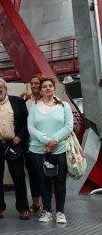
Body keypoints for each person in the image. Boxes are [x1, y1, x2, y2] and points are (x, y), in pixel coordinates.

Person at [27, 78, 73, 224]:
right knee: (43, 181)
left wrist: (54, 141)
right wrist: (47, 140)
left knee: (59, 181)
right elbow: (31, 128)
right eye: (44, 86)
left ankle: (60, 212)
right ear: (40, 90)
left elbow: (68, 127)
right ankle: (46, 211)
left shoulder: (64, 106)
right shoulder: (34, 107)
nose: (47, 88)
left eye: (50, 86)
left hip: (59, 149)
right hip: (38, 150)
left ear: (54, 88)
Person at [0, 78, 30, 219]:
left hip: (14, 144)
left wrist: (20, 136)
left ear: (5, 89)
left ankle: (23, 208)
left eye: (0, 87)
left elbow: (26, 123)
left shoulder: (17, 102)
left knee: (19, 177)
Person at [23, 73, 46, 213]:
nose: (34, 86)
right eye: (32, 83)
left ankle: (47, 203)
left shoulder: (50, 101)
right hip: (31, 145)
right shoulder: (27, 102)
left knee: (46, 174)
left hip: (47, 144)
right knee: (33, 174)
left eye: (37, 83)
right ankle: (36, 203)